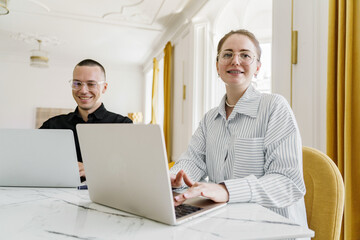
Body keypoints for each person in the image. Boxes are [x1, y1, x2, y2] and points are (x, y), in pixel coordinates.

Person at [169, 29, 308, 229]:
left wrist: (227, 190)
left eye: (245, 55)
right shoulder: (210, 119)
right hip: (225, 224)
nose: (235, 60)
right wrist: (175, 177)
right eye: (227, 54)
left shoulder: (275, 107)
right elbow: (193, 161)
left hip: (274, 228)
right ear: (217, 66)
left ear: (258, 67)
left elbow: (288, 182)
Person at [40, 59, 132, 181]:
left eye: (91, 84)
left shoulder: (123, 125)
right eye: (77, 83)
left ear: (104, 87)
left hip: (108, 196)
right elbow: (36, 162)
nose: (83, 90)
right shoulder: (51, 125)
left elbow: (130, 169)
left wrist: (92, 169)